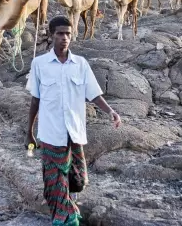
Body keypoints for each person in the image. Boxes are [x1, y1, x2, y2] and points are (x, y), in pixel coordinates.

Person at [26, 15, 121, 225]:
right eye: (60, 33)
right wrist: (30, 131)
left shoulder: (81, 64)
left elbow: (94, 94)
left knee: (78, 180)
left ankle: (68, 208)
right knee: (54, 179)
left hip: (74, 132)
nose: (65, 37)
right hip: (51, 133)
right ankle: (65, 218)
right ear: (51, 36)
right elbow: (35, 100)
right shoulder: (39, 64)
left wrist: (110, 111)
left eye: (68, 33)